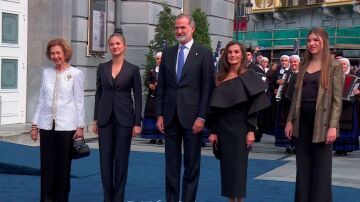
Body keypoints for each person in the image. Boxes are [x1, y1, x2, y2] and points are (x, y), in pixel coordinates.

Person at [156, 13, 214, 202]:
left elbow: (207, 88)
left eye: (183, 27)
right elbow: (162, 86)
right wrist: (160, 114)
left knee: (191, 165)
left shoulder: (204, 53)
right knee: (171, 165)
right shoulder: (168, 53)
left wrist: (202, 116)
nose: (179, 31)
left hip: (193, 119)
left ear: (192, 29)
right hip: (170, 117)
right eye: (177, 28)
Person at [285, 27, 344, 202]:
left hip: (324, 124)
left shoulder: (334, 66)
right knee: (302, 169)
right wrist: (289, 121)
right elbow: (295, 97)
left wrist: (333, 126)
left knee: (321, 170)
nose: (311, 43)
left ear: (324, 42)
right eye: (309, 40)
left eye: (316, 40)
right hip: (301, 123)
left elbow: (337, 100)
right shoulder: (303, 66)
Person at [206, 41, 270, 202]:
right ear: (226, 55)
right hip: (222, 128)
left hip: (241, 128)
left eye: (236, 52)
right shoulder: (219, 78)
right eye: (230, 52)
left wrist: (251, 130)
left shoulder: (250, 76)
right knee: (226, 169)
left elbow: (255, 105)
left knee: (239, 169)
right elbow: (215, 109)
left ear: (242, 55)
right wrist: (213, 131)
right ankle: (229, 200)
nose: (233, 55)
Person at [31, 38, 85, 202]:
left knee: (63, 168)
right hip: (46, 126)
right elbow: (41, 99)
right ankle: (46, 199)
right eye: (52, 53)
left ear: (65, 53)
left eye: (58, 53)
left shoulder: (76, 74)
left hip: (66, 127)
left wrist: (80, 126)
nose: (55, 56)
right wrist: (35, 124)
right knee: (47, 167)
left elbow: (79, 101)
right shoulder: (47, 73)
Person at [93, 32, 142, 202]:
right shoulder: (102, 67)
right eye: (112, 44)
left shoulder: (133, 69)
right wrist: (95, 120)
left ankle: (118, 198)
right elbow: (98, 94)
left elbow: (138, 96)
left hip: (125, 120)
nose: (115, 46)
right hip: (105, 119)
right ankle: (108, 197)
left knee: (121, 160)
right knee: (105, 161)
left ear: (124, 46)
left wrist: (137, 122)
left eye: (118, 43)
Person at [333, 57, 360, 156]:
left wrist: (358, 92)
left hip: (349, 107)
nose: (342, 66)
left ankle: (346, 148)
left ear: (347, 66)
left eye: (344, 64)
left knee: (347, 127)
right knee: (337, 126)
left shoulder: (354, 77)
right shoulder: (333, 77)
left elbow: (358, 90)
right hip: (337, 105)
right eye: (340, 64)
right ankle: (337, 148)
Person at [141, 52, 164, 145]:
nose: (159, 60)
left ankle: (161, 138)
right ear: (156, 60)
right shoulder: (151, 70)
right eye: (158, 59)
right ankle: (152, 137)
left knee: (160, 116)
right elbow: (146, 81)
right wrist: (150, 85)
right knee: (151, 116)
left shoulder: (167, 70)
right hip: (152, 97)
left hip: (162, 97)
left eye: (161, 58)